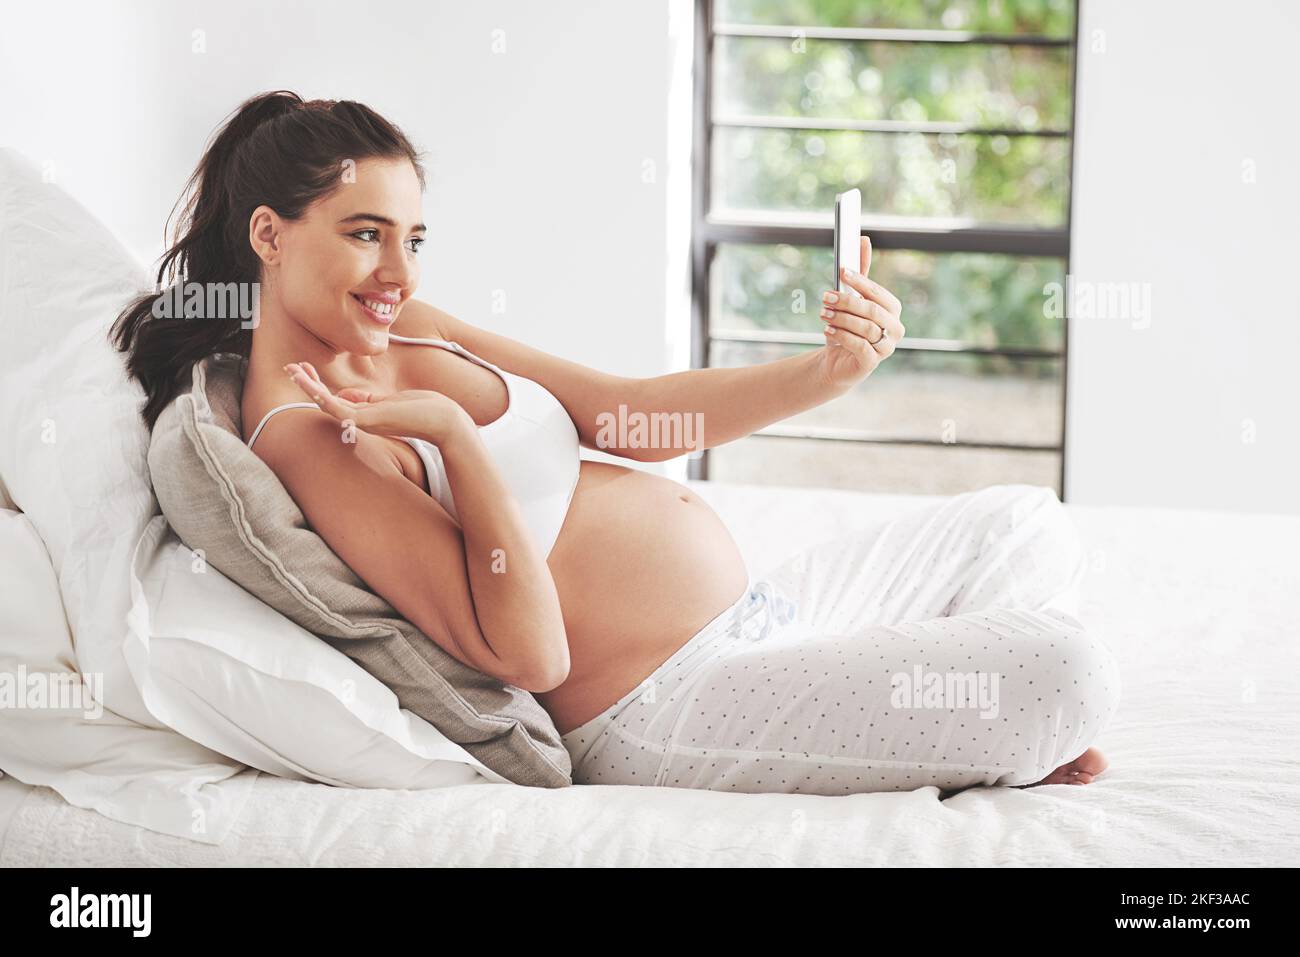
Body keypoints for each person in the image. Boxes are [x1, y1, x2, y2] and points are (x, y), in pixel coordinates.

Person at [111, 90, 1120, 796]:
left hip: (765, 620)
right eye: (365, 233)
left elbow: (632, 416)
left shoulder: (406, 327)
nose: (400, 273)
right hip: (670, 702)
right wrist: (459, 442)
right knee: (1063, 669)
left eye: (412, 238)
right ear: (269, 236)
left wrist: (826, 377)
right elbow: (524, 651)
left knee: (1019, 521)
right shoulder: (303, 432)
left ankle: (957, 720)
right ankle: (985, 717)